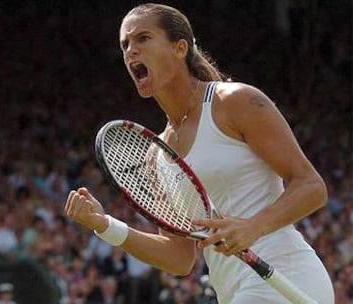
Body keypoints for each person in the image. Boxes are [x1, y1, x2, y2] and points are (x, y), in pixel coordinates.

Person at [64, 3, 335, 303]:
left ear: (180, 48)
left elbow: (312, 186)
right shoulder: (157, 156)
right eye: (125, 44)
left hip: (287, 274)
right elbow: (179, 258)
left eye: (143, 38)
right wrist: (105, 225)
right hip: (233, 291)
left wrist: (253, 227)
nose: (131, 51)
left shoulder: (235, 102)